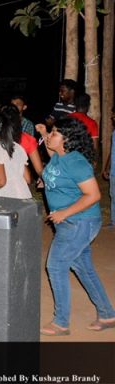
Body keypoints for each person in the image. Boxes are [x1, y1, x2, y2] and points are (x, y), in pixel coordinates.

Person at [36, 117, 115, 335]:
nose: (50, 135)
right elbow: (53, 160)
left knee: (56, 265)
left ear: (67, 140)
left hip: (79, 222)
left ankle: (61, 322)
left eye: (54, 133)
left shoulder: (76, 162)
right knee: (82, 267)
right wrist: (44, 134)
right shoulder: (60, 155)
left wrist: (64, 213)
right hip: (72, 223)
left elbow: (94, 195)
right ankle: (107, 315)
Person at [102, 107, 115, 229]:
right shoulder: (114, 133)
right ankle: (113, 221)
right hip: (113, 171)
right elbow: (112, 151)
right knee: (113, 195)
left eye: (114, 115)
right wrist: (107, 167)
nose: (112, 117)